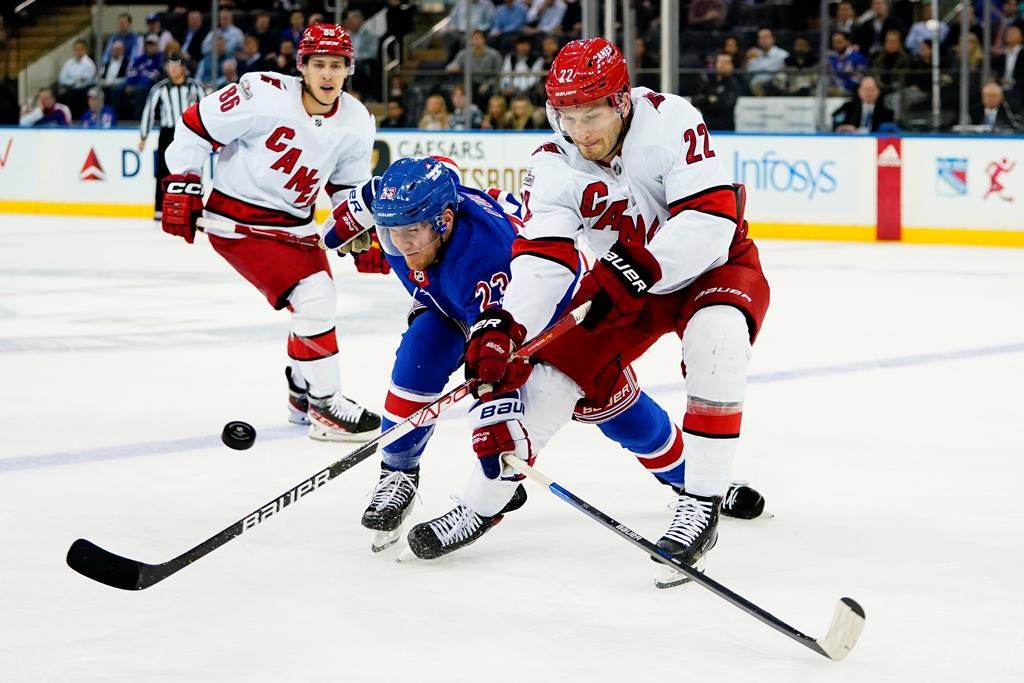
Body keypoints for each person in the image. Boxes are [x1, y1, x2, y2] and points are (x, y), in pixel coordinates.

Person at [405, 39, 771, 581]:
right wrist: (503, 324)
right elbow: (542, 259)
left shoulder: (671, 121)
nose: (581, 131)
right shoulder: (552, 164)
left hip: (713, 268)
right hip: (620, 288)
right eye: (568, 116)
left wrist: (635, 266)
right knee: (547, 381)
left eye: (592, 114)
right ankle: (482, 504)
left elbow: (710, 222)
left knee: (718, 338)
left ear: (621, 101)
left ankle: (702, 502)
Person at [318, 156, 765, 552]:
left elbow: (495, 362)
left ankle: (699, 485)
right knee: (417, 361)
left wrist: (496, 423)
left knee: (615, 411)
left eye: (411, 234)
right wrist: (337, 233)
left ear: (445, 220)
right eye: (389, 234)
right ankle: (399, 473)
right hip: (450, 307)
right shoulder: (394, 201)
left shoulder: (488, 263)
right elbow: (372, 200)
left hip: (544, 316)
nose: (401, 246)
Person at [161, 23, 382, 441]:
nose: (328, 75)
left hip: (295, 226)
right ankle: (325, 405)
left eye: (337, 66)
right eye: (319, 65)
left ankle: (302, 393)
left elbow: (344, 190)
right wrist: (183, 180)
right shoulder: (260, 94)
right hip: (238, 223)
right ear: (302, 66)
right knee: (316, 297)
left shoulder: (355, 121)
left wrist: (361, 232)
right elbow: (194, 126)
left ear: (348, 69)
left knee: (315, 304)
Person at [139, 53, 203, 221]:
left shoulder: (195, 87)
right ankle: (160, 208)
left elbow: (205, 110)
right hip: (168, 132)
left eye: (175, 66)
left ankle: (192, 207)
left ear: (183, 68)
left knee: (191, 170)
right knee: (163, 170)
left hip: (189, 132)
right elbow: (149, 112)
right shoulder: (160, 88)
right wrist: (143, 136)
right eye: (170, 67)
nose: (172, 70)